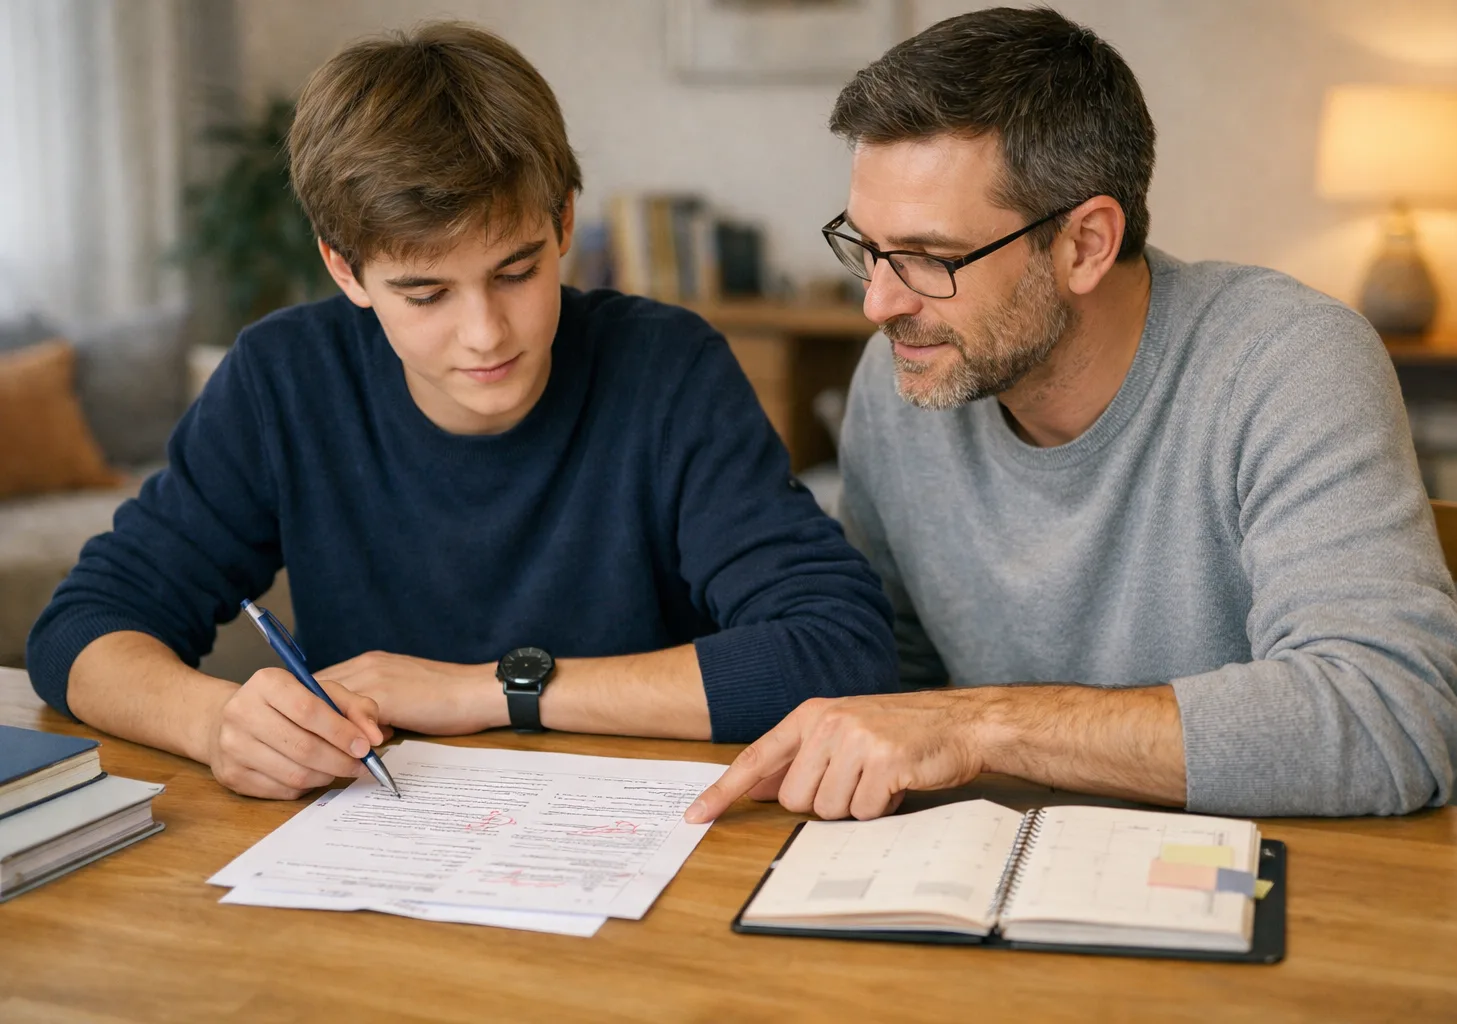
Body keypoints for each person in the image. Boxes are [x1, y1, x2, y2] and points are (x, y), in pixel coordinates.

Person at [686, 6, 1457, 826]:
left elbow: (1390, 718)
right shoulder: (903, 375)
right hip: (1056, 861)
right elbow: (892, 682)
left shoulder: (1287, 360)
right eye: (866, 248)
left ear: (1085, 244)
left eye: (930, 259)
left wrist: (981, 725)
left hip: (1363, 878)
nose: (878, 304)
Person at [28, 22, 897, 801]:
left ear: (563, 223)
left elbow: (838, 649)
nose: (485, 334)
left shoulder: (667, 369)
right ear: (345, 270)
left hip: (643, 840)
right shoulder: (283, 378)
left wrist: (487, 690)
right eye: (426, 293)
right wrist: (217, 724)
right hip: (377, 844)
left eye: (516, 272)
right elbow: (81, 629)